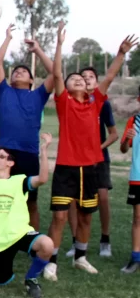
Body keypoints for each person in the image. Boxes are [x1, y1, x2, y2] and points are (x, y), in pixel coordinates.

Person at [44, 23, 136, 280]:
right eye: (74, 78)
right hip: (66, 167)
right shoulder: (64, 103)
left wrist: (121, 54)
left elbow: (107, 78)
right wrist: (60, 44)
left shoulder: (95, 102)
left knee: (85, 217)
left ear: (87, 88)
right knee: (60, 217)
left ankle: (81, 258)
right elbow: (59, 75)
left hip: (91, 167)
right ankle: (51, 262)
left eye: (81, 80)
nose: (78, 80)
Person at [0, 24, 55, 230]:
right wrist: (7, 38)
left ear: (32, 80)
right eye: (16, 71)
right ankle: (3, 237)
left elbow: (55, 73)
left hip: (28, 153)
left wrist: (38, 50)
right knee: (1, 199)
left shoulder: (38, 95)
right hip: (5, 153)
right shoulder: (4, 92)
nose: (19, 72)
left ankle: (31, 236)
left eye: (24, 71)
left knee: (31, 202)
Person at [0, 134, 54, 298]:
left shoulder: (20, 181)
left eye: (2, 157)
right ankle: (0, 266)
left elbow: (43, 178)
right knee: (0, 281)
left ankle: (31, 278)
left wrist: (44, 150)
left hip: (20, 233)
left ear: (11, 163)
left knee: (47, 244)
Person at [66, 66, 118, 258]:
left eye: (91, 77)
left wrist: (98, 149)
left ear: (97, 83)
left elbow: (114, 134)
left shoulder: (102, 104)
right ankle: (75, 241)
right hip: (76, 159)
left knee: (102, 198)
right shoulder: (69, 103)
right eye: (83, 76)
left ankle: (105, 240)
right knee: (73, 201)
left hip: (99, 159)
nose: (87, 79)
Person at [120, 96, 140, 273]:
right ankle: (135, 258)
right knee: (138, 218)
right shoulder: (134, 121)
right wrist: (127, 139)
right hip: (138, 177)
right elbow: (123, 149)